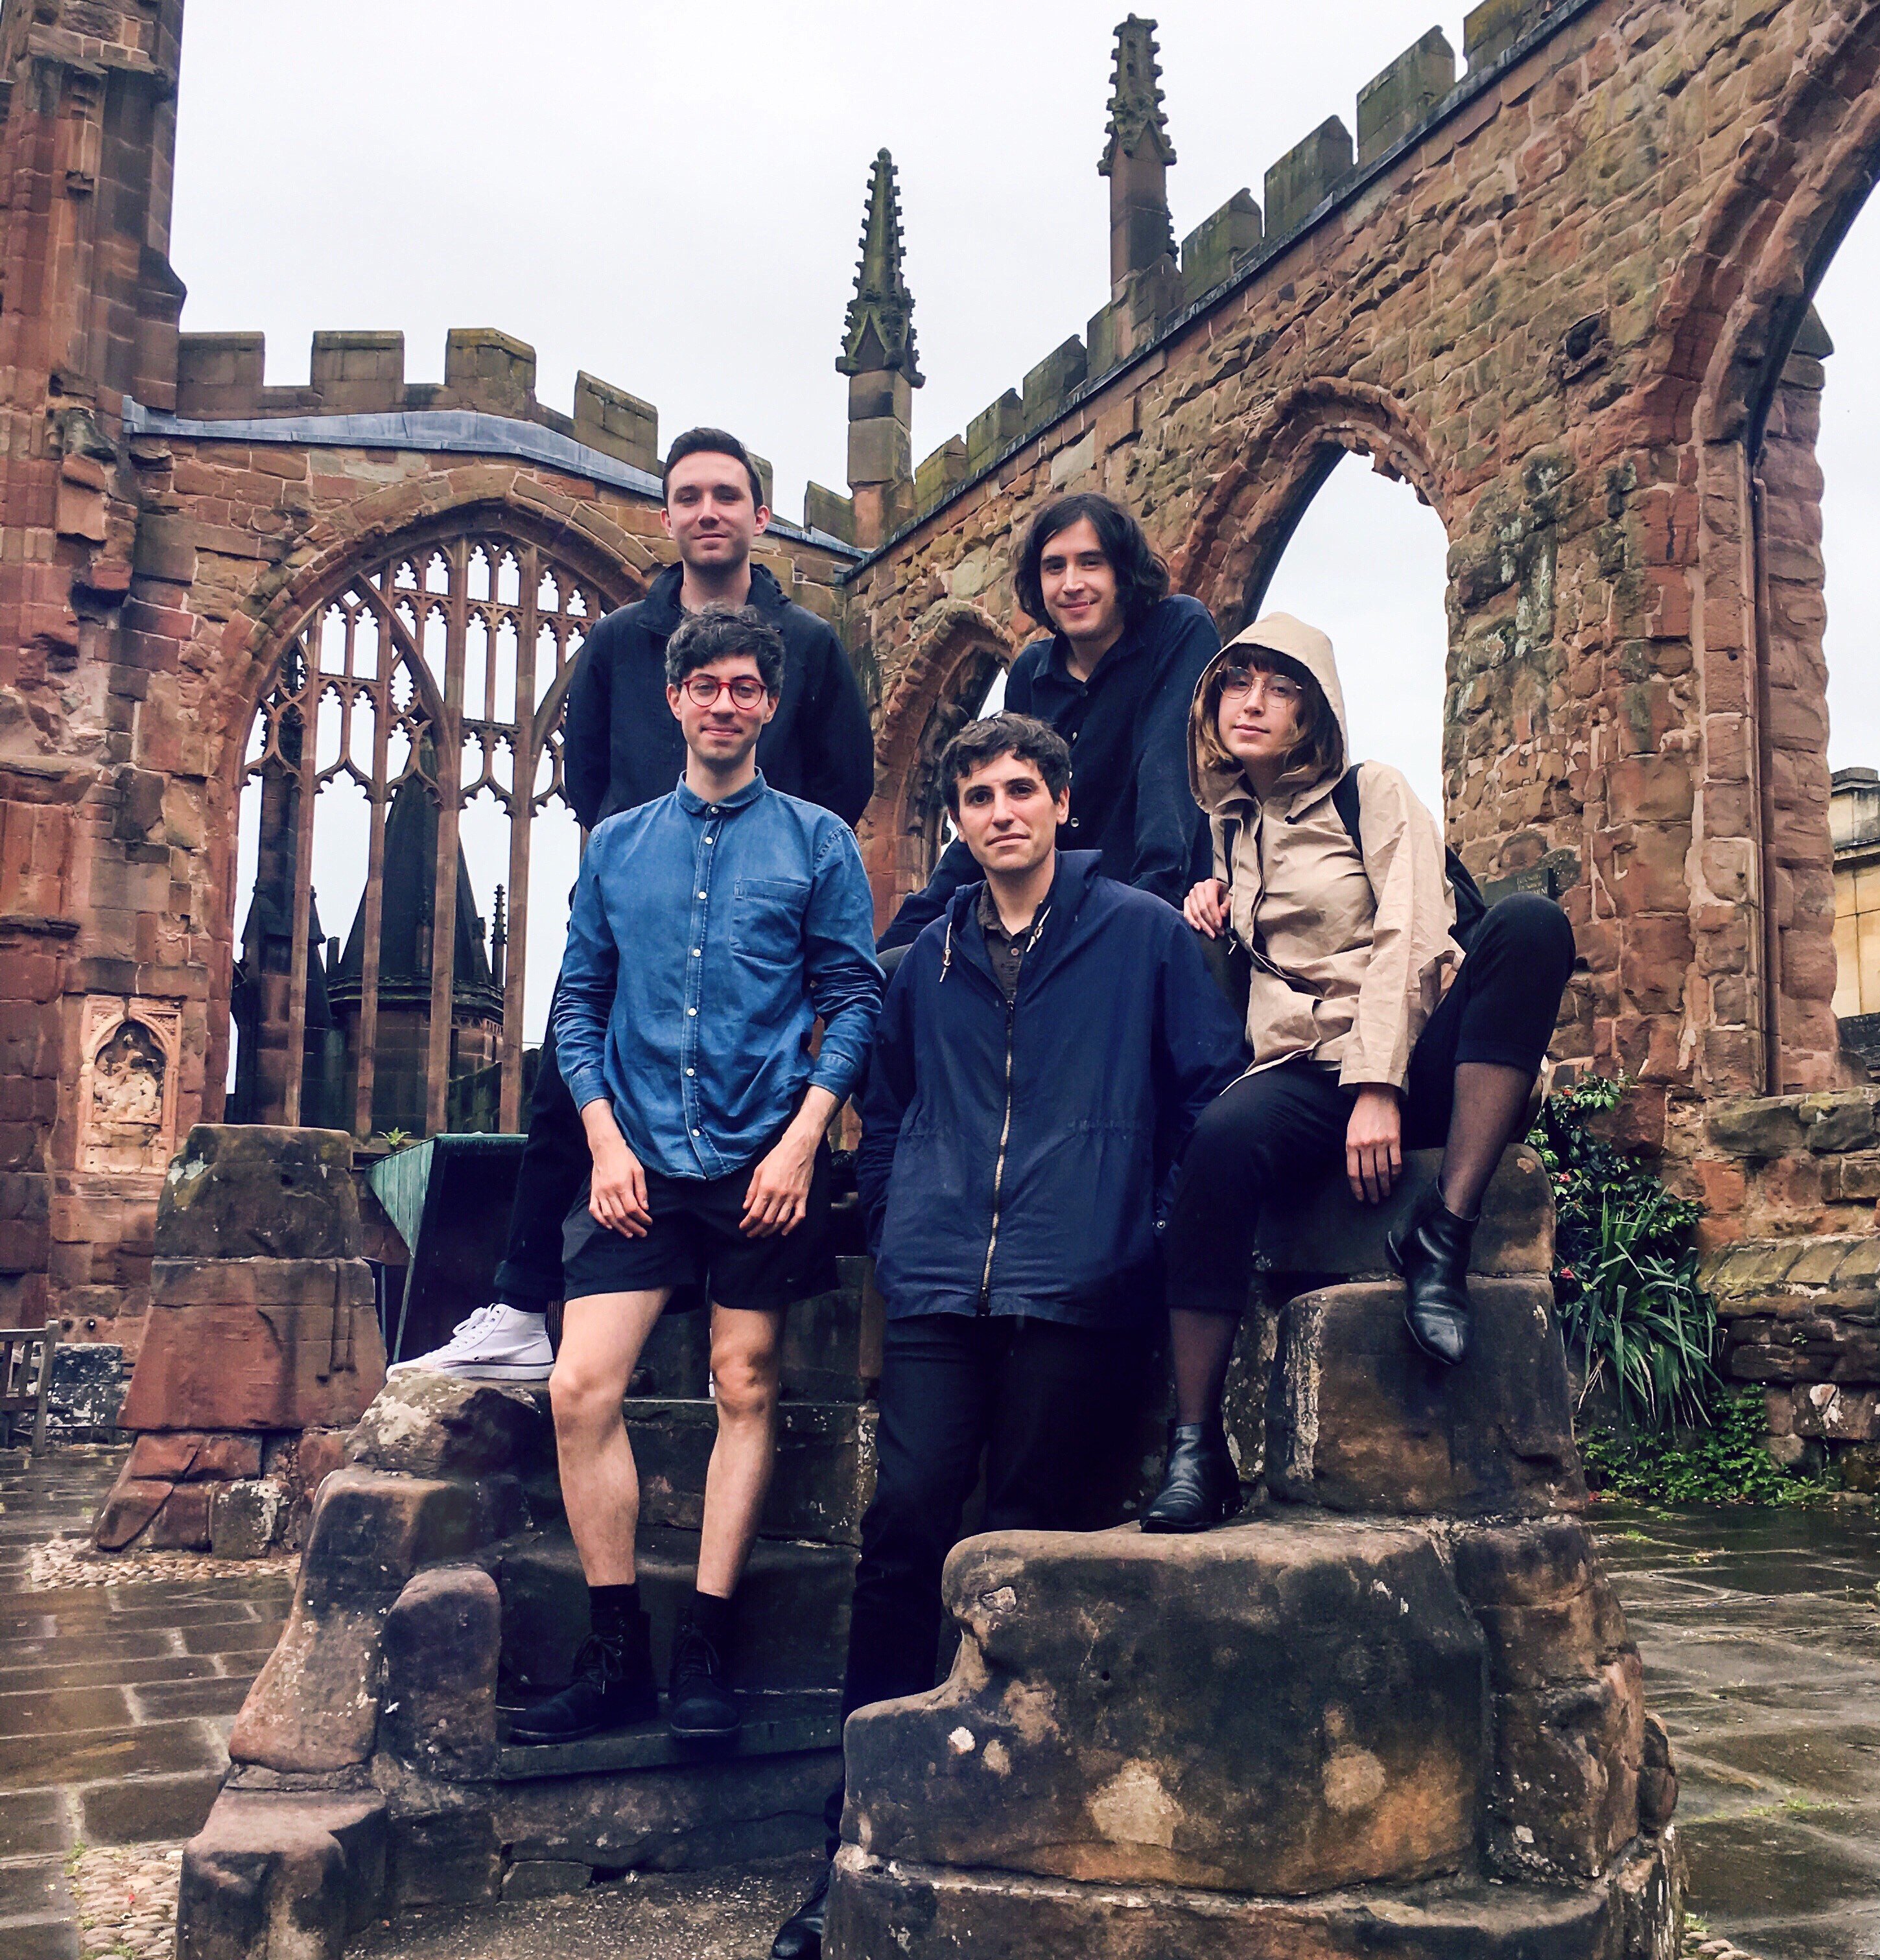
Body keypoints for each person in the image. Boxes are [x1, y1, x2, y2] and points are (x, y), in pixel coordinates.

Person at [768, 712, 1245, 1959]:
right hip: (934, 1287)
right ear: (957, 822)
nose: (999, 810)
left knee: (1037, 1539)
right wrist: (901, 1208)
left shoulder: (1139, 935)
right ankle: (856, 1819)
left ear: (1061, 804)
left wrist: (1135, 1228)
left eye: (1018, 788)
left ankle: (1011, 1820)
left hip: (1079, 1288)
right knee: (904, 1527)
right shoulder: (922, 960)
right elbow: (891, 1101)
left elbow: (1209, 1094)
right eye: (975, 794)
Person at [395, 427, 874, 1383]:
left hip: (762, 917)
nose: (708, 512)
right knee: (564, 1089)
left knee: (759, 1085)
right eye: (690, 497)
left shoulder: (811, 644)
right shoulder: (619, 640)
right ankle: (521, 1301)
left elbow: (847, 782)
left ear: (758, 516)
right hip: (640, 894)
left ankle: (704, 1296)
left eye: (727, 496)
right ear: (668, 517)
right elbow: (588, 778)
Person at [506, 605, 882, 1744]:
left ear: (769, 703)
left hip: (764, 1155)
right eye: (704, 684)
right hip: (636, 1165)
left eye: (744, 686)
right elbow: (575, 1004)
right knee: (579, 1386)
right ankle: (616, 1650)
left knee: (744, 1379)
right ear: (672, 700)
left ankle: (709, 1644)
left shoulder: (818, 842)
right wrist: (605, 1140)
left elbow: (854, 997)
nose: (724, 702)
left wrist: (803, 1136)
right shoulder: (618, 845)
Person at [1139, 614, 1577, 1533]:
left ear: (1316, 713)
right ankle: (1196, 1447)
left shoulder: (1371, 792)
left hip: (1416, 1058)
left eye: (1280, 687)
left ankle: (1443, 1238)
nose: (1252, 703)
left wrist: (1377, 1084)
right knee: (1216, 1144)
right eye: (1236, 682)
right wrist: (1208, 903)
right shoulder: (1225, 833)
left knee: (1531, 925)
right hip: (1302, 1066)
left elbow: (1411, 934)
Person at [878, 491, 1219, 953]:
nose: (1071, 583)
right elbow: (1001, 802)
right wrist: (894, 948)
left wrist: (1148, 912)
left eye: (1091, 563)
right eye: (1054, 567)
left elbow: (1167, 772)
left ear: (1122, 570)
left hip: (1156, 919)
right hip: (1055, 929)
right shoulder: (1032, 673)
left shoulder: (1177, 628)